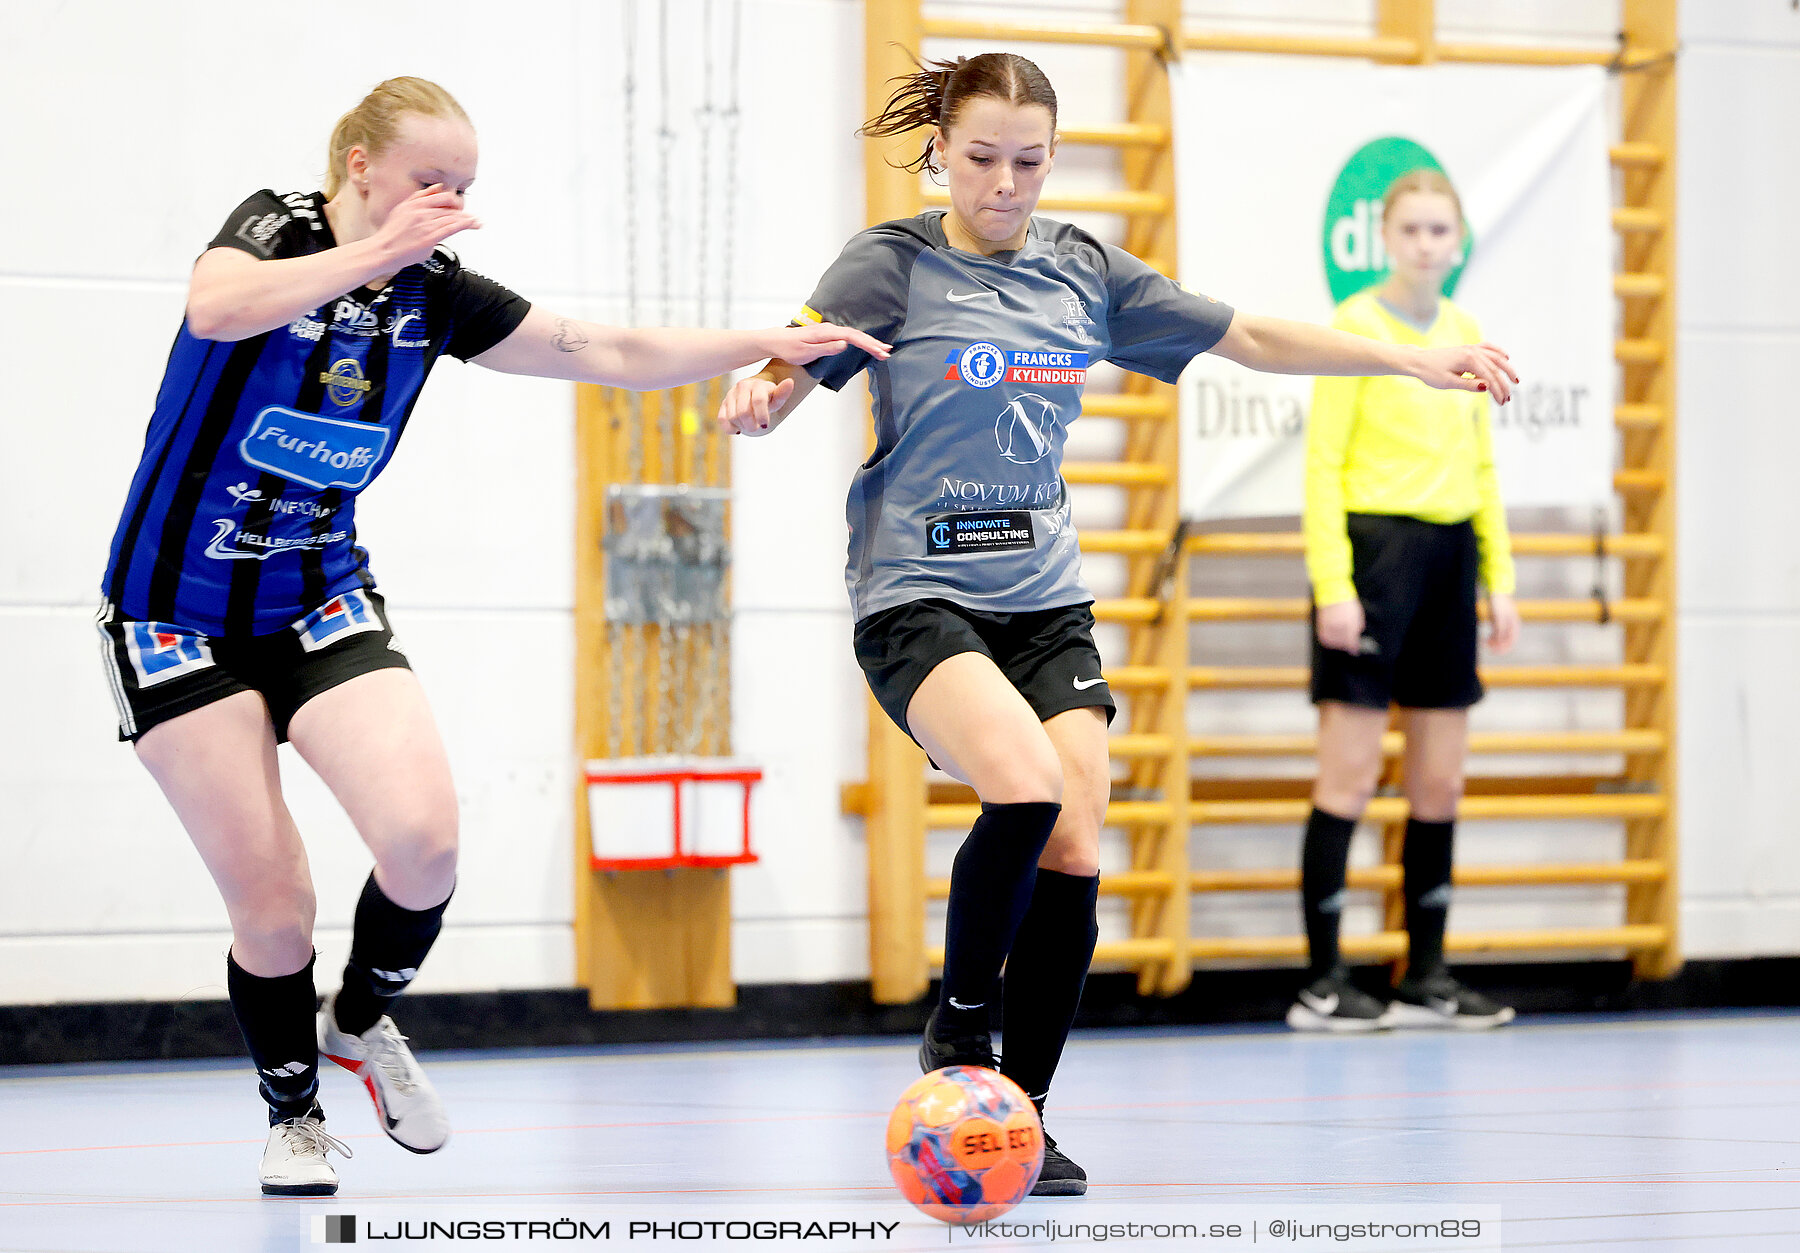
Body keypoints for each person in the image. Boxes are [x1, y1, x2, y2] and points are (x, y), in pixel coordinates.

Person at [717, 55, 1514, 1195]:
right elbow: (800, 353)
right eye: (982, 157)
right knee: (1027, 783)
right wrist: (766, 388)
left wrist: (1407, 358)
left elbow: (1251, 337)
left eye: (1029, 162)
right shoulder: (892, 263)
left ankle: (1019, 1120)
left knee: (1078, 838)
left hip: (1045, 600)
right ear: (941, 145)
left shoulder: (1084, 272)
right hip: (918, 594)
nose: (1005, 183)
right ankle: (959, 1025)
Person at [96, 76, 886, 1198]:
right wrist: (372, 255)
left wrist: (770, 339)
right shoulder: (278, 227)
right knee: (274, 903)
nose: (450, 206)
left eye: (464, 189)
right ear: (361, 166)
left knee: (425, 843)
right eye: (431, 182)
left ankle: (360, 1023)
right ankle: (293, 1112)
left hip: (317, 599)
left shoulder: (437, 294)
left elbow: (604, 347)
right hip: (174, 615)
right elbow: (217, 308)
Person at [1287, 168, 1521, 1034]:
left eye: (1440, 230)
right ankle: (1322, 980)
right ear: (1384, 239)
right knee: (1347, 773)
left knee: (1440, 779)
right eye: (1412, 229)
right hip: (1374, 555)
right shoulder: (1358, 330)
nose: (1427, 244)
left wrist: (1498, 576)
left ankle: (1426, 973)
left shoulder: (1465, 333)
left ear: (1457, 241)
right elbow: (1321, 465)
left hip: (1450, 557)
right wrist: (1334, 585)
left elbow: (1482, 466)